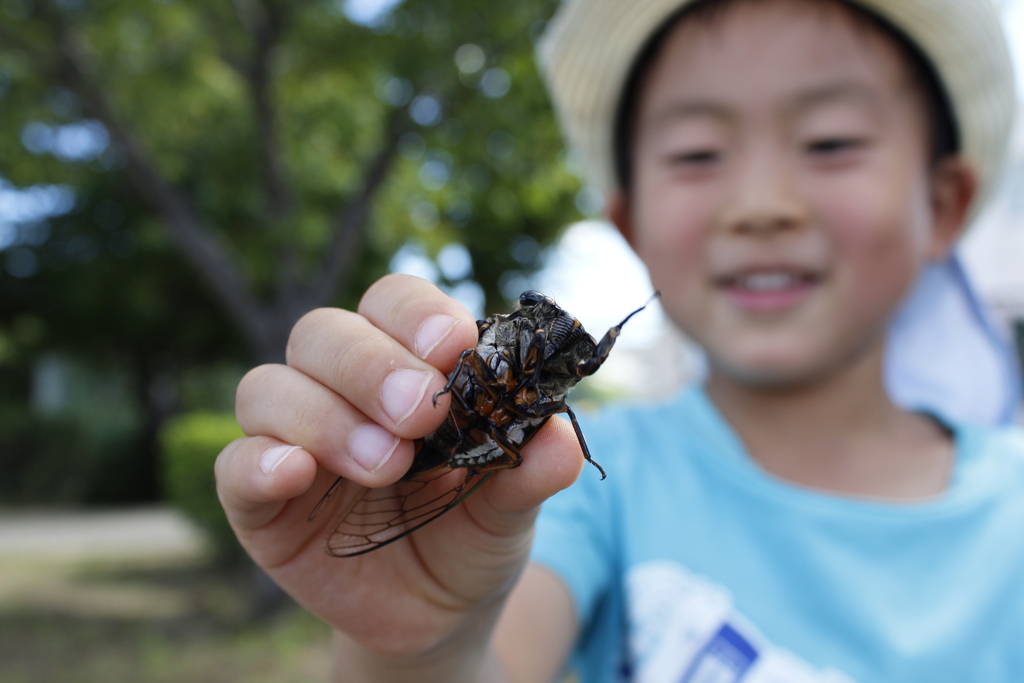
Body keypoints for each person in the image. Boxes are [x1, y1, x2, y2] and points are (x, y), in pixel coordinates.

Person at [214, 0, 1024, 680]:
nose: (762, 203)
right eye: (698, 153)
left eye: (832, 142)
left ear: (944, 203)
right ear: (632, 222)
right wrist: (424, 650)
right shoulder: (585, 491)